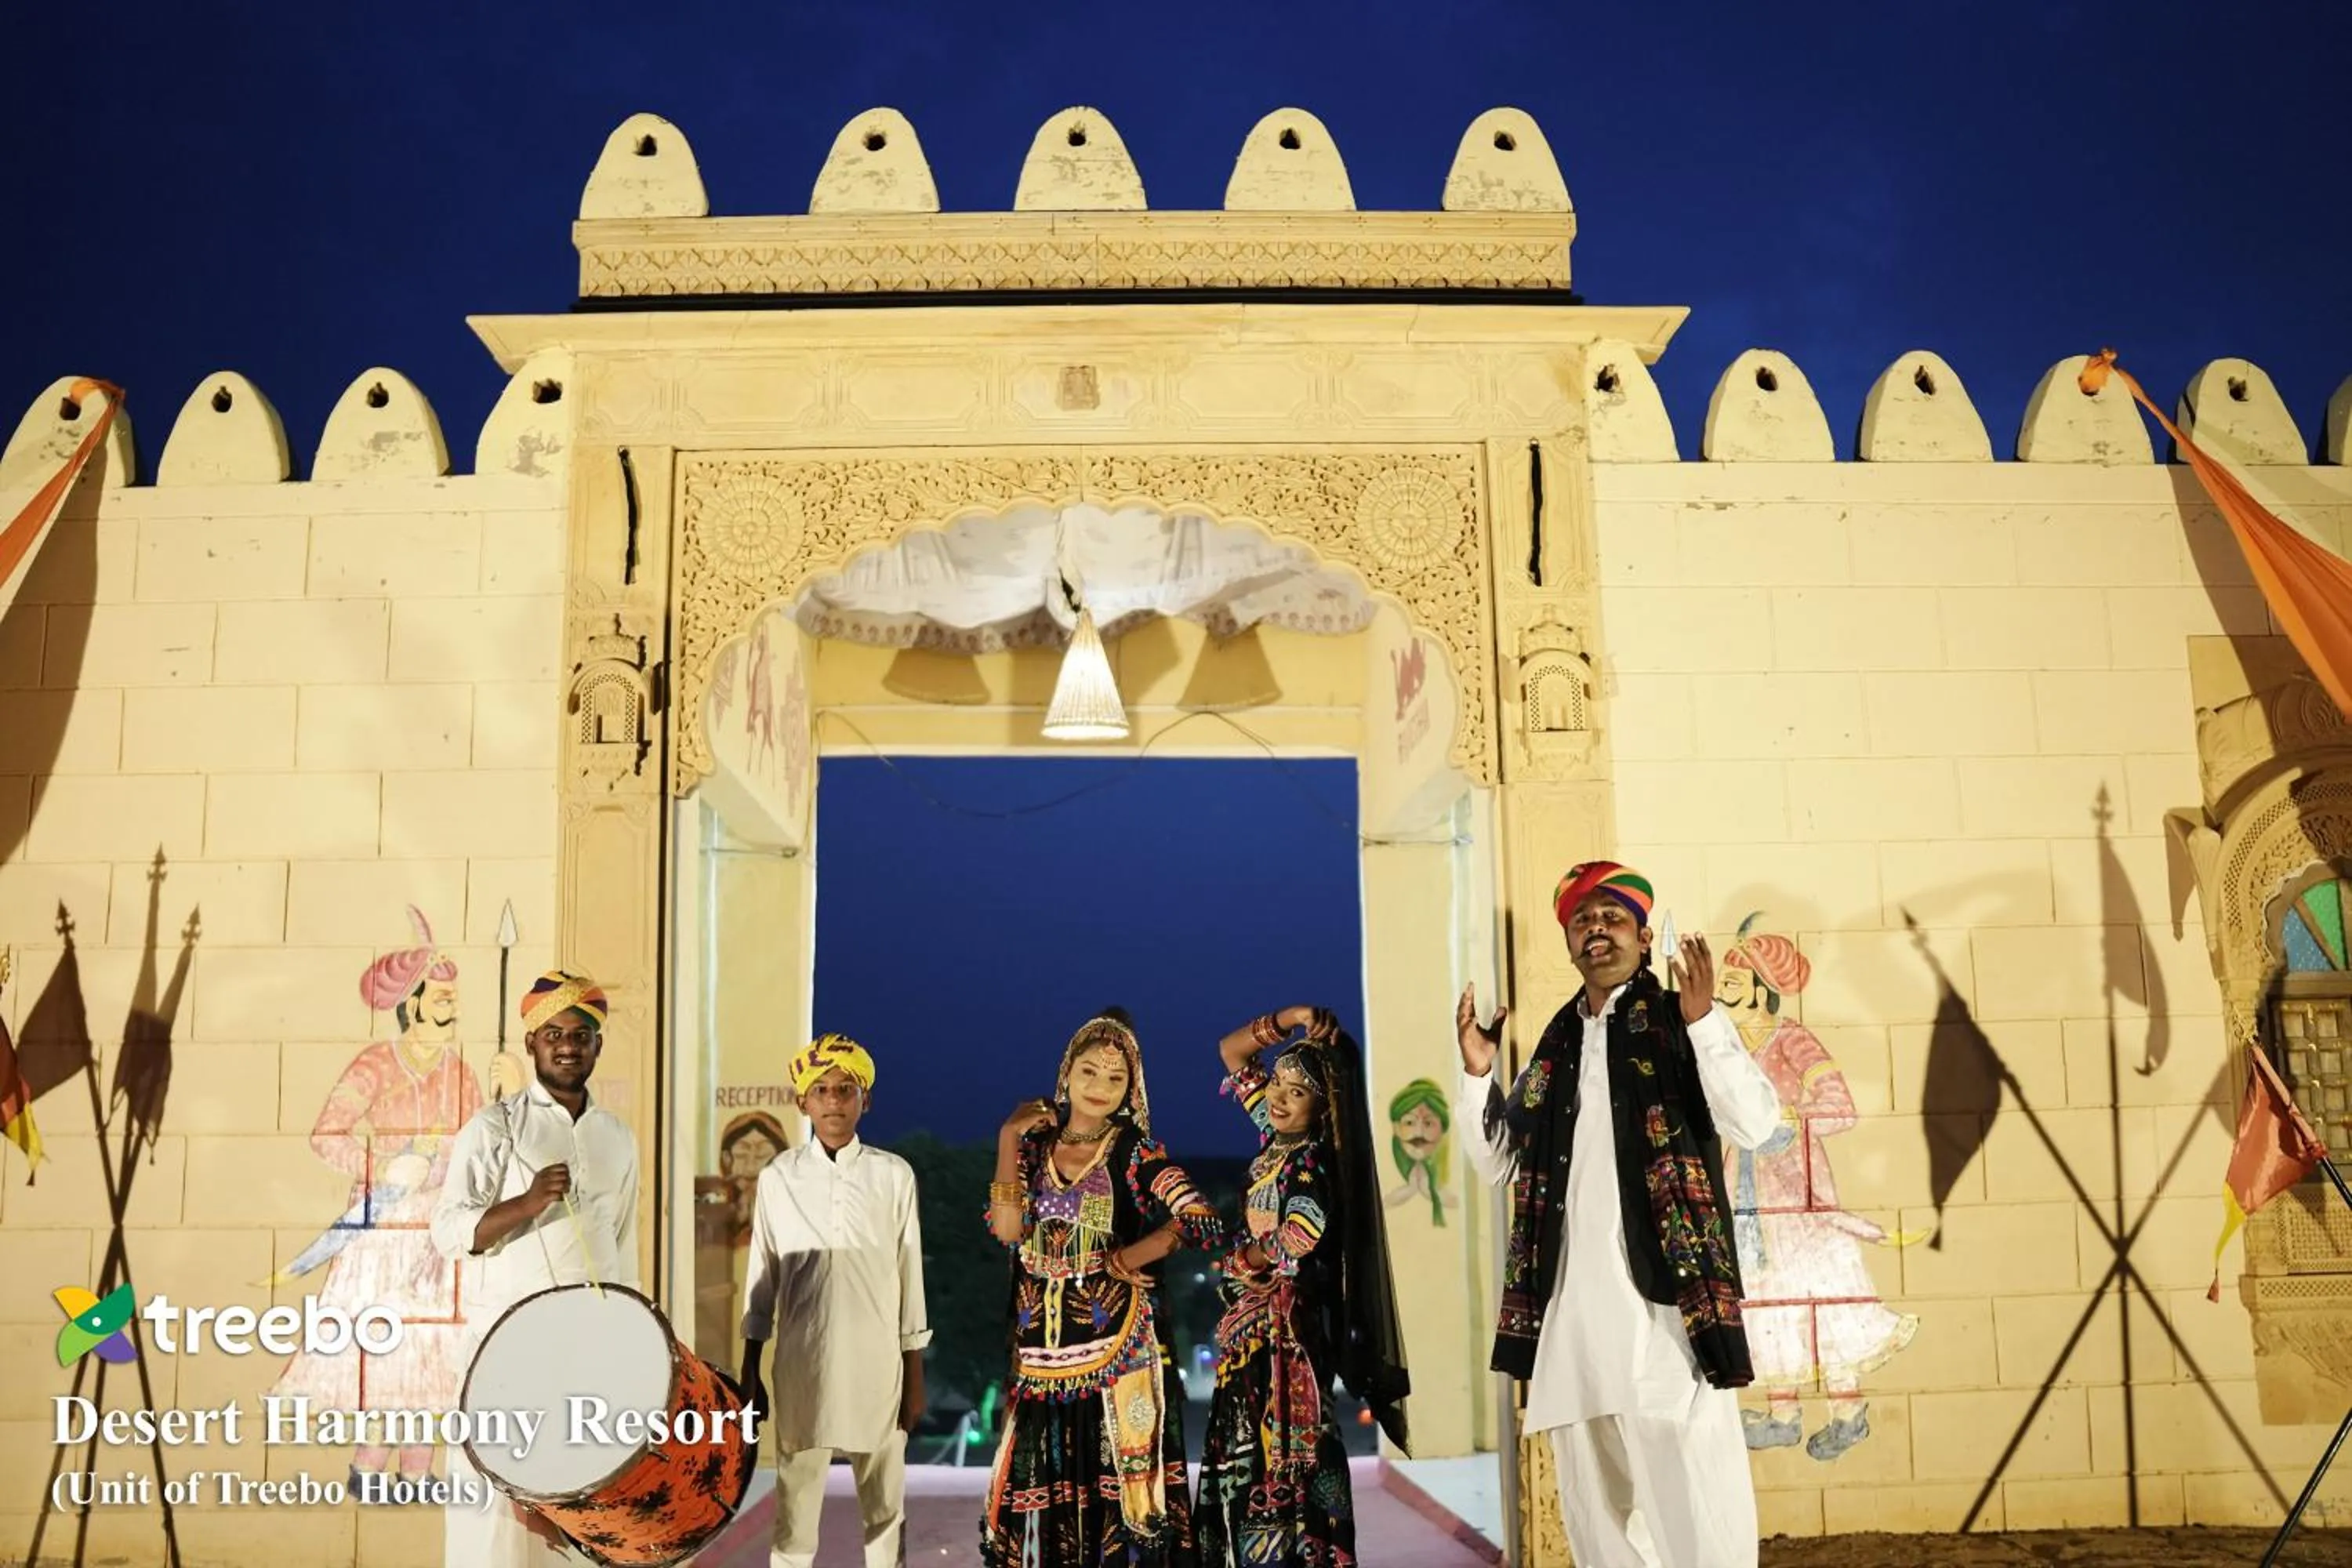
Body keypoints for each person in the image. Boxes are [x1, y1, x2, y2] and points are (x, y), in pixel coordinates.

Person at [1454, 862, 1784, 1568]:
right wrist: (1478, 1073)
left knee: (1696, 1504)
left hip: (1666, 1309)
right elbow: (1497, 1162)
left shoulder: (1677, 1019)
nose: (1595, 929)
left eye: (1611, 917)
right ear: (1570, 943)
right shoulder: (1558, 1041)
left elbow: (1755, 1123)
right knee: (1597, 1520)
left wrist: (1705, 1025)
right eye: (1582, 920)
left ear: (1640, 934)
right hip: (1572, 1319)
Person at [981, 1008, 1224, 1568]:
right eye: (1089, 1072)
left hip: (1117, 1360)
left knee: (1124, 1510)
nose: (1100, 1088)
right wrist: (1006, 1134)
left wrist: (1126, 1256)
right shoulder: (1031, 1149)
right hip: (1039, 1362)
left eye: (1116, 1078)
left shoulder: (1134, 1151)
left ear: (1131, 1087)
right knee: (1044, 1510)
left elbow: (1198, 1216)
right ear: (1065, 1074)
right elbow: (1007, 1229)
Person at [268, 910, 489, 1493]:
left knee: (433, 1353)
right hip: (383, 1228)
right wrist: (383, 1166)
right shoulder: (375, 1065)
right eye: (440, 999)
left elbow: (482, 1153)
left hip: (440, 1234)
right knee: (387, 1347)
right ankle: (369, 1465)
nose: (451, 1009)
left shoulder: (463, 1074)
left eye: (454, 1000)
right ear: (412, 1003)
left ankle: (417, 1471)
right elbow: (327, 1135)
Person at [430, 970, 642, 1567]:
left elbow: (620, 1246)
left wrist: (634, 1343)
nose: (568, 1044)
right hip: (505, 1352)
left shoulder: (617, 1138)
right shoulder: (494, 1128)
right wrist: (525, 1204)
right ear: (531, 1044)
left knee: (581, 1518)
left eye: (580, 1034)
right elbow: (448, 1232)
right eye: (553, 1033)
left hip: (587, 1357)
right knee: (496, 1524)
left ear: (598, 1046)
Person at [1196, 1004, 1410, 1568]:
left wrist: (1246, 1259)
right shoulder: (1275, 1139)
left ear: (1325, 1106)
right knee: (1246, 1442)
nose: (1279, 1096)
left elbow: (1301, 1233)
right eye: (1278, 1083)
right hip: (1254, 1325)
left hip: (1287, 1327)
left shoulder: (1311, 1160)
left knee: (1288, 1449)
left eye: (1298, 1091)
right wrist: (1289, 1018)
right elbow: (1232, 1051)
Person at [1716, 922, 1917, 1460]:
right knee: (1764, 1296)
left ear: (1762, 987)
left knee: (1817, 1295)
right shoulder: (1727, 1045)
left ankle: (1848, 1411)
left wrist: (1788, 1117)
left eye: (1734, 982)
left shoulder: (1793, 1039)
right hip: (1745, 1189)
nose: (1723, 990)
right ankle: (1783, 1413)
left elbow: (1839, 1106)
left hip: (1797, 1187)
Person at [739, 1034, 931, 1568]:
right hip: (803, 1363)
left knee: (885, 1510)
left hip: (878, 1364)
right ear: (802, 1101)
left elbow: (908, 1275)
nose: (833, 1101)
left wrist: (914, 1375)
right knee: (795, 1511)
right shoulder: (780, 1177)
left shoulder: (893, 1175)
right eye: (820, 1090)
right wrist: (750, 1370)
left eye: (845, 1089)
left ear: (864, 1100)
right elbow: (762, 1276)